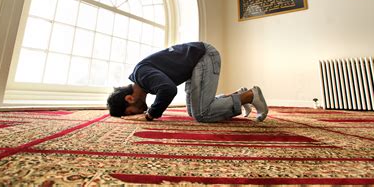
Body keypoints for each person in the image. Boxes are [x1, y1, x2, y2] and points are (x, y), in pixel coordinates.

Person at [106, 42, 268, 123]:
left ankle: (250, 96)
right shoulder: (142, 78)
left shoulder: (142, 75)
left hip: (204, 56)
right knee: (193, 112)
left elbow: (168, 89)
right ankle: (238, 96)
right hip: (195, 65)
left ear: (129, 99)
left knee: (201, 113)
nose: (136, 115)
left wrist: (151, 115)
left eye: (130, 113)